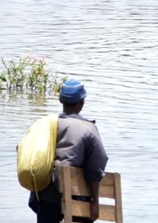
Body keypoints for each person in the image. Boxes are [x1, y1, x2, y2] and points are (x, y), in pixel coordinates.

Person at [28, 79, 108, 223]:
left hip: (45, 198)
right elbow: (96, 167)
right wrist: (95, 202)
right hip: (76, 198)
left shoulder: (47, 124)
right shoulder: (89, 129)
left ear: (61, 100)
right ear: (82, 103)